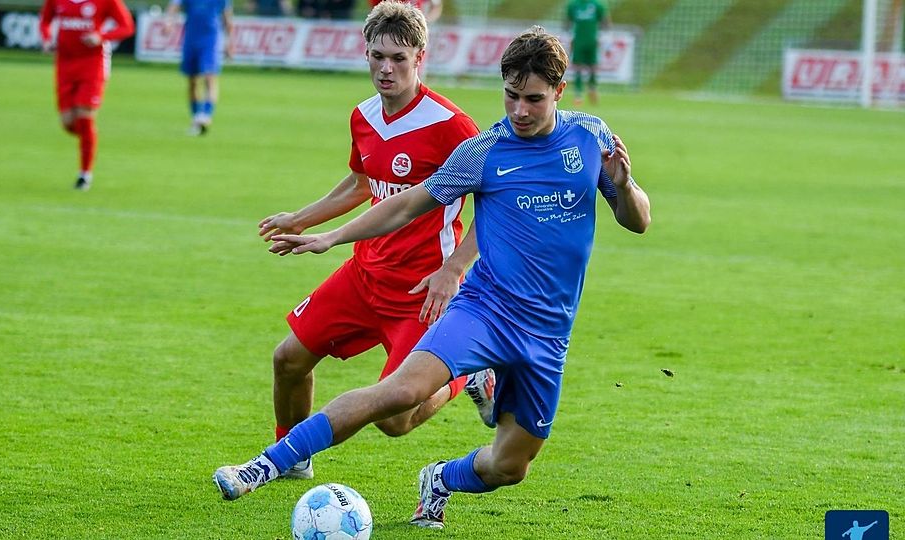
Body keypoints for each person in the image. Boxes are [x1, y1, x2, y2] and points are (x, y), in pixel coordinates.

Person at [212, 24, 651, 532]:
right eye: (511, 96)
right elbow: (406, 204)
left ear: (559, 90)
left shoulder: (590, 137)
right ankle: (265, 465)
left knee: (510, 467)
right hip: (486, 310)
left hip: (549, 333)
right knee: (398, 395)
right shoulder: (485, 150)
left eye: (533, 99)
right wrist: (332, 237)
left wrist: (624, 184)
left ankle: (439, 479)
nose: (519, 111)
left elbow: (637, 221)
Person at [218, 0, 491, 485]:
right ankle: (294, 456)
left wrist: (454, 270)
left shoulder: (451, 126)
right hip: (365, 275)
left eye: (398, 59)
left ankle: (467, 375)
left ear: (420, 57)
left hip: (421, 290)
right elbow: (361, 182)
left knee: (394, 418)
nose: (386, 69)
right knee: (288, 359)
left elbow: (492, 204)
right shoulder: (364, 115)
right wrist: (301, 218)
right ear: (365, 53)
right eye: (377, 56)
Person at [39, 0, 135, 190]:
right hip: (65, 65)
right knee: (68, 123)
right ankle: (90, 139)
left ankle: (84, 174)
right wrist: (47, 38)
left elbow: (127, 27)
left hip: (93, 64)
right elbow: (45, 20)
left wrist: (101, 36)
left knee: (84, 116)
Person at [165, 0, 234, 135]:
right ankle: (196, 117)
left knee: (209, 77)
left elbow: (227, 18)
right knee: (192, 81)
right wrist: (168, 22)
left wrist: (229, 42)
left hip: (211, 39)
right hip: (191, 38)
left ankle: (206, 115)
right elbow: (174, 6)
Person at [565, 0, 610, 106]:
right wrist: (569, 36)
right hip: (578, 40)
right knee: (578, 67)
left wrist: (602, 36)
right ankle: (578, 94)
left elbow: (605, 22)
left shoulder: (597, 4)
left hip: (592, 40)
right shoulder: (574, 4)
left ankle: (592, 89)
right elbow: (567, 23)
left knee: (593, 67)